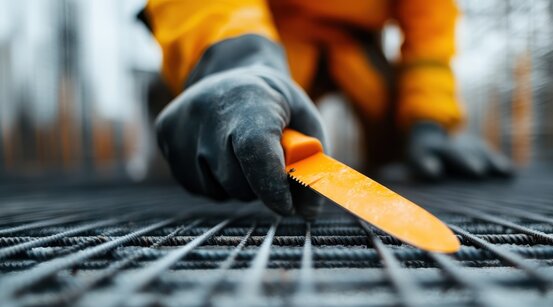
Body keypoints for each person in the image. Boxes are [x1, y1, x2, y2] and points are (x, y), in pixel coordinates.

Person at [140, 0, 512, 218]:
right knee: (229, 134)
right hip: (255, 29)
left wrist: (428, 118)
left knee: (404, 150)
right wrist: (231, 60)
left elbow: (429, 20)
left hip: (352, 48)